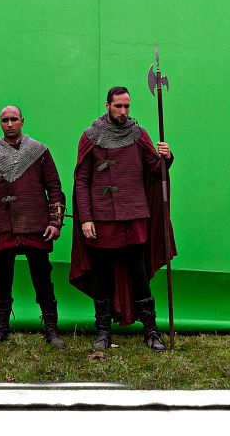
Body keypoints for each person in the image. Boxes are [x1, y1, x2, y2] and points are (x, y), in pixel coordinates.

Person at [70, 86, 177, 352]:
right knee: (102, 276)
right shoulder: (90, 136)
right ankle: (103, 332)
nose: (123, 111)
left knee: (139, 275)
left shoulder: (139, 134)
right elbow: (81, 181)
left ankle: (151, 331)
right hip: (102, 219)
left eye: (127, 106)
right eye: (118, 106)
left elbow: (155, 170)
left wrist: (166, 157)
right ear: (107, 105)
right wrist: (85, 218)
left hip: (134, 216)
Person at [0, 105, 67, 349]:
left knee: (42, 278)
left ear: (22, 121)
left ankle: (52, 329)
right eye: (5, 120)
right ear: (0, 123)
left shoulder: (39, 151)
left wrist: (55, 222)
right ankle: (1, 329)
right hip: (3, 226)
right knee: (1, 280)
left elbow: (54, 188)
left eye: (14, 119)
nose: (9, 124)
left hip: (35, 224)